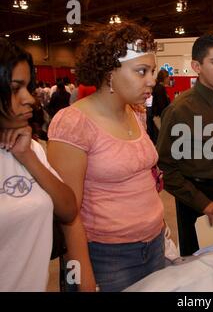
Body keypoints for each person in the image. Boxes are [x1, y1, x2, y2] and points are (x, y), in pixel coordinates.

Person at [47, 22, 165, 292]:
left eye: (153, 71)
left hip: (154, 244)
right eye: (141, 71)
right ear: (110, 71)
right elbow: (68, 212)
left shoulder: (136, 113)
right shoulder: (74, 122)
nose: (151, 80)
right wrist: (82, 275)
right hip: (107, 257)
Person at [0, 38, 77, 291]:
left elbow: (68, 209)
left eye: (27, 87)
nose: (29, 99)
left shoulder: (29, 148)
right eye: (14, 88)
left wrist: (28, 158)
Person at [157, 34, 213, 256]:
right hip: (197, 199)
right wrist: (202, 203)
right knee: (200, 265)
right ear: (197, 66)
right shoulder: (181, 109)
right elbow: (165, 167)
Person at [147, 69, 170, 143]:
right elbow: (161, 105)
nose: (169, 79)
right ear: (164, 78)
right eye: (168, 77)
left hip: (156, 115)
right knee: (159, 137)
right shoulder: (160, 88)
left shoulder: (158, 87)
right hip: (159, 117)